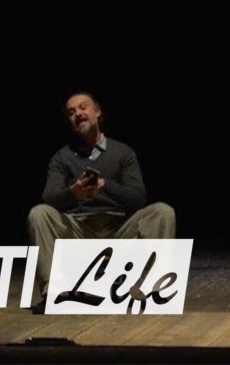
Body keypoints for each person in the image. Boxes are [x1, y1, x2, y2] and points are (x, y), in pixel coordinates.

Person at [26, 92, 176, 310]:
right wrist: (74, 192)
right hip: (80, 230)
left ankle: (155, 290)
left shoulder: (123, 152)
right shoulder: (62, 157)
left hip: (118, 229)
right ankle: (53, 293)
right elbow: (49, 197)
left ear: (97, 113)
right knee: (39, 213)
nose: (77, 114)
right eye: (71, 112)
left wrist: (105, 185)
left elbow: (137, 198)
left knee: (163, 212)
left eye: (83, 107)